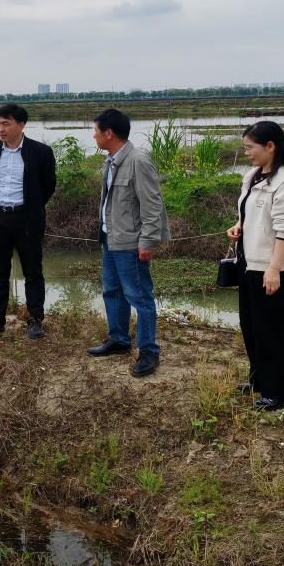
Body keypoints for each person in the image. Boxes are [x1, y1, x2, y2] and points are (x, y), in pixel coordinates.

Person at [225, 120, 284, 411]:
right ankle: (260, 380)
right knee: (252, 325)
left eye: (250, 147)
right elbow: (248, 213)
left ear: (270, 146)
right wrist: (238, 227)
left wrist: (274, 269)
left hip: (272, 268)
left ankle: (280, 392)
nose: (247, 153)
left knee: (274, 329)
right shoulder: (253, 176)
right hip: (249, 262)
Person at [86, 108, 170, 376]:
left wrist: (147, 242)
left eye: (96, 131)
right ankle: (119, 340)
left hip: (131, 243)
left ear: (109, 133)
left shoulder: (138, 161)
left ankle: (148, 352)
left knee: (139, 296)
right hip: (111, 238)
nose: (94, 136)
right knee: (112, 290)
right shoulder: (112, 160)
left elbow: (153, 206)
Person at [0, 103, 57, 339]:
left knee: (33, 271)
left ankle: (35, 320)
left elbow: (48, 186)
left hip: (27, 219)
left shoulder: (41, 152)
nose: (0, 129)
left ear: (21, 125)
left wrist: (32, 207)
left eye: (6, 124)